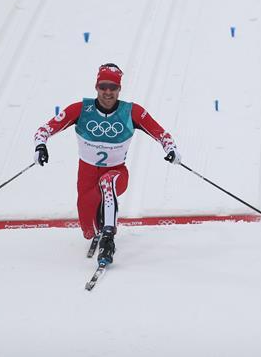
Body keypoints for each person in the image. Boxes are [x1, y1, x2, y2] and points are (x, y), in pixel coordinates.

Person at [32, 63, 182, 266]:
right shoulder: (80, 109)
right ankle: (98, 227)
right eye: (103, 86)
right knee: (87, 230)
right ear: (96, 87)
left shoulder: (132, 112)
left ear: (120, 89)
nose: (108, 92)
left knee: (107, 182)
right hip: (86, 174)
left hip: (117, 172)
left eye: (113, 87)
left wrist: (170, 149)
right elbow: (45, 129)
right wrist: (40, 146)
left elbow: (161, 134)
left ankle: (108, 239)